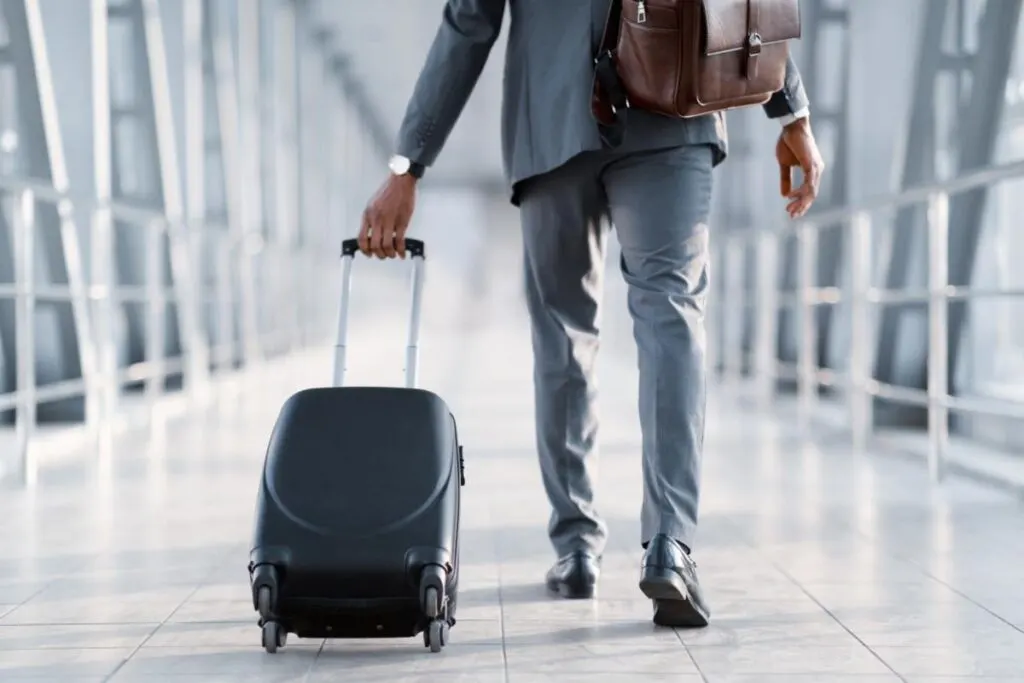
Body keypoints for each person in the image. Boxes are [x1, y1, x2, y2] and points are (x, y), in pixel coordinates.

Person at [359, 1, 825, 628]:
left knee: (563, 335)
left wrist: (408, 164)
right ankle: (671, 544)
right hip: (674, 108)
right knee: (672, 318)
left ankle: (577, 545)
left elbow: (470, 22)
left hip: (553, 121)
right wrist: (789, 107)